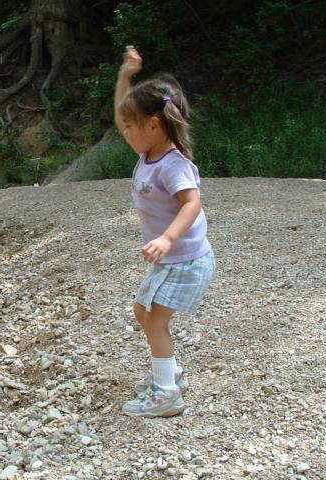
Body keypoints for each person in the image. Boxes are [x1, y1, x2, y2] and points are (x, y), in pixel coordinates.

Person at [113, 46, 215, 417]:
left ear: (153, 125)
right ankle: (169, 370)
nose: (123, 132)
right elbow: (123, 113)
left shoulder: (172, 164)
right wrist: (126, 76)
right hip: (170, 258)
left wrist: (167, 237)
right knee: (143, 313)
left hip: (184, 259)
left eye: (129, 126)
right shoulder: (148, 151)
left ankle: (167, 394)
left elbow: (193, 203)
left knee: (154, 320)